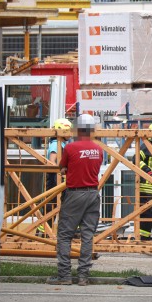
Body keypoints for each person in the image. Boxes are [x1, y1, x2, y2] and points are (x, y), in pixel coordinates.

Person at [47, 114, 103, 286]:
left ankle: (64, 275)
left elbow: (61, 167)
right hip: (93, 194)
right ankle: (83, 276)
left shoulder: (70, 148)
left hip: (75, 194)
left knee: (65, 235)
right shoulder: (98, 149)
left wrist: (67, 171)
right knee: (88, 236)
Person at [38, 118, 72, 236]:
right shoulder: (55, 144)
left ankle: (44, 230)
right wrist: (62, 171)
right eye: (67, 131)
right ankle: (43, 231)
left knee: (56, 205)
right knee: (52, 204)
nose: (70, 133)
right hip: (54, 179)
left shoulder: (61, 144)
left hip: (57, 179)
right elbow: (51, 161)